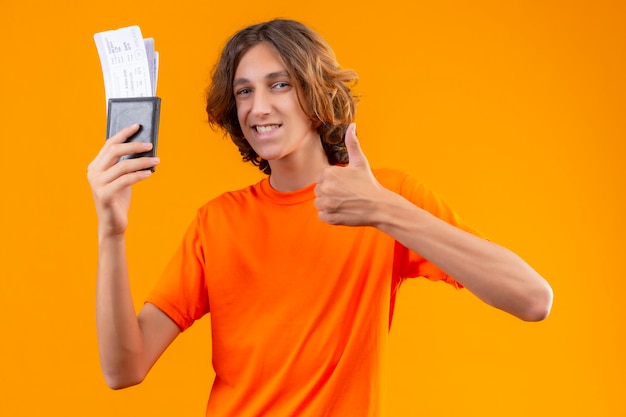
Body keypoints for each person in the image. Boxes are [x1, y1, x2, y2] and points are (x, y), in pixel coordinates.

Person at [87, 18, 553, 417]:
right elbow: (123, 369)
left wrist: (385, 211)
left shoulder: (387, 197)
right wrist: (112, 228)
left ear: (316, 92)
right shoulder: (218, 221)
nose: (258, 106)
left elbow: (532, 298)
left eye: (280, 84)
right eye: (244, 91)